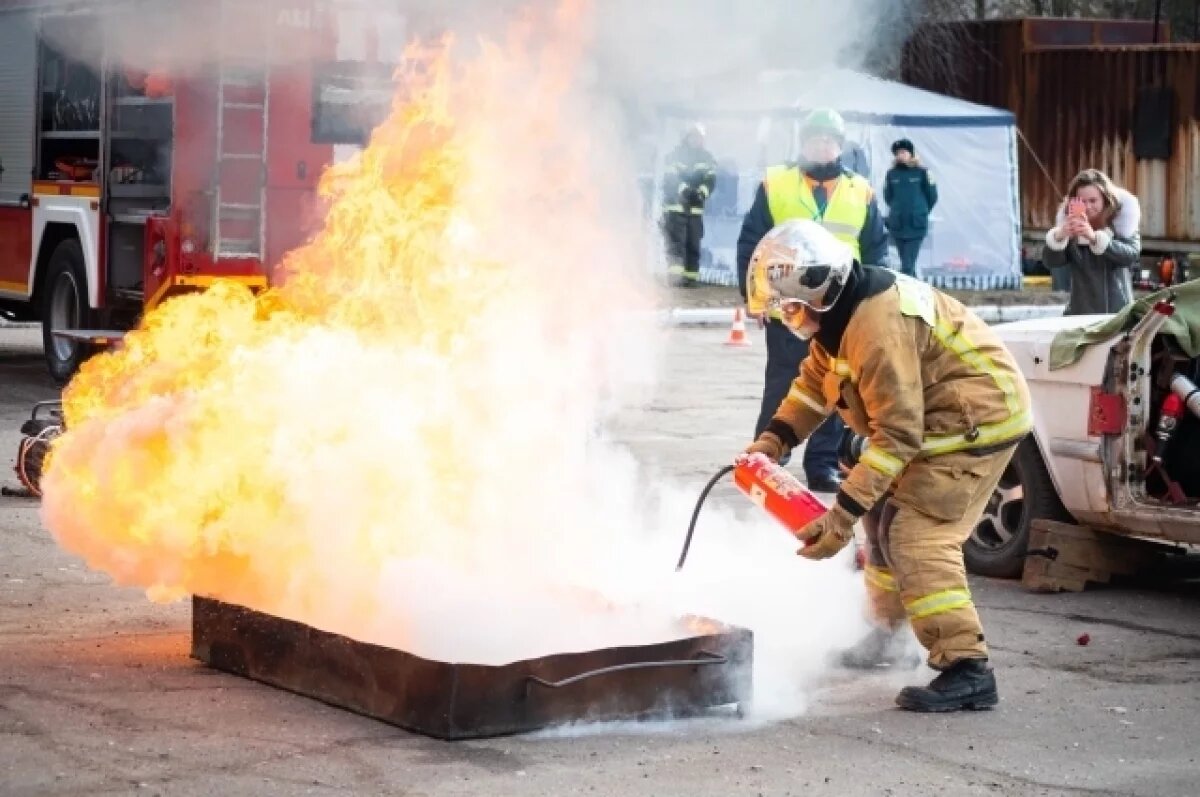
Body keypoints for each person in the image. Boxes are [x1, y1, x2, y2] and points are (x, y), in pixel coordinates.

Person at [740, 219, 1032, 712]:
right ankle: (883, 635)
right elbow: (814, 385)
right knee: (880, 521)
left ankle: (967, 667)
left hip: (975, 422)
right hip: (936, 422)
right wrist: (775, 439)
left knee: (917, 536)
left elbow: (897, 435)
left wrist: (839, 516)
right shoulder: (841, 318)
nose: (790, 319)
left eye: (790, 308)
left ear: (817, 293)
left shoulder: (876, 326)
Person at [736, 108, 888, 493]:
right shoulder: (776, 183)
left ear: (840, 145)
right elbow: (751, 243)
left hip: (841, 305)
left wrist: (872, 304)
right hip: (788, 302)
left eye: (829, 140)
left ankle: (822, 465)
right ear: (803, 143)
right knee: (783, 382)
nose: (822, 146)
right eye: (815, 139)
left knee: (839, 388)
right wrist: (754, 297)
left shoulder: (861, 191)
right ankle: (769, 459)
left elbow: (876, 252)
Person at [1043, 169, 1142, 315]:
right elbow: (1051, 262)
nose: (1088, 207)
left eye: (1093, 200)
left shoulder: (1121, 224)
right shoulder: (1070, 225)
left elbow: (1131, 255)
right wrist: (1059, 237)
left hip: (1117, 312)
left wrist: (1095, 238)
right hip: (1079, 311)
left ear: (1105, 199)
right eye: (1082, 201)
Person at [662, 123, 717, 287]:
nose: (697, 140)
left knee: (693, 243)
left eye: (699, 137)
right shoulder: (674, 155)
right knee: (676, 244)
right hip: (675, 209)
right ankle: (675, 280)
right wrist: (685, 191)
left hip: (695, 210)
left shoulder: (707, 158)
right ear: (687, 138)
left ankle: (690, 279)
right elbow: (671, 178)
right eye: (693, 136)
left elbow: (711, 180)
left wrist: (701, 193)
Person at [883, 138, 938, 278]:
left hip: (916, 225)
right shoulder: (892, 174)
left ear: (911, 154)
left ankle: (907, 293)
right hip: (898, 225)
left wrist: (921, 211)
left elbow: (932, 196)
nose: (900, 155)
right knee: (907, 263)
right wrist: (897, 210)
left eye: (903, 152)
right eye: (898, 153)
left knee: (907, 265)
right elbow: (888, 196)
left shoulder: (922, 172)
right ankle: (915, 290)